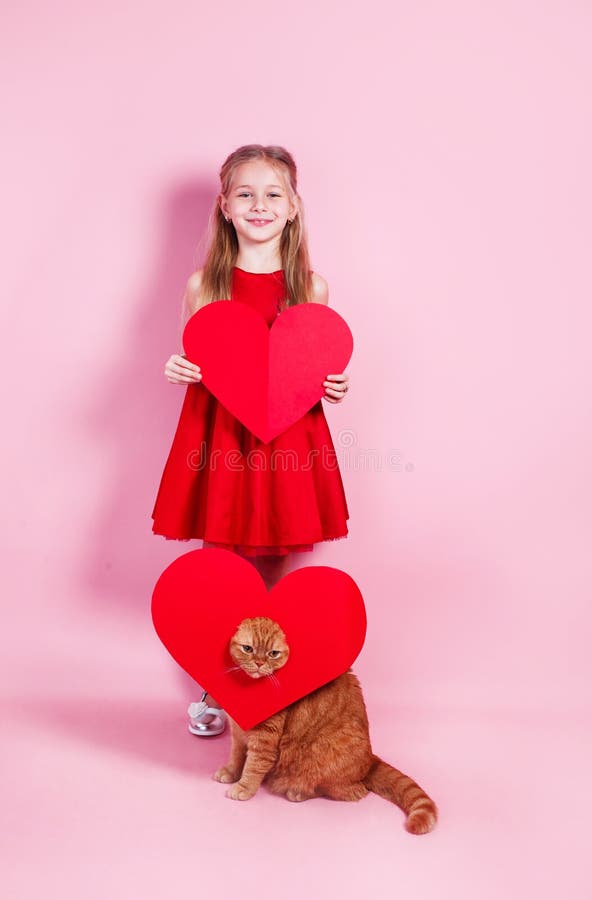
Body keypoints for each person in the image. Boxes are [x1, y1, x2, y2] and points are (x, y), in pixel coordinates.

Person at [151, 144, 351, 736]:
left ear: (292, 207)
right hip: (221, 438)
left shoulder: (310, 286)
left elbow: (309, 369)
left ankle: (269, 690)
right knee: (221, 561)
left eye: (272, 194)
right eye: (245, 193)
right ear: (225, 207)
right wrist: (177, 367)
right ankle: (216, 688)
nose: (258, 204)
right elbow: (203, 359)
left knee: (277, 564)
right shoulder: (201, 285)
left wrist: (332, 385)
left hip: (289, 439)